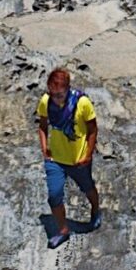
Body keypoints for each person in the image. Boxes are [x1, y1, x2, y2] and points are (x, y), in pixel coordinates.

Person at [36, 68, 101, 249]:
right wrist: (44, 148)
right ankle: (63, 230)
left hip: (78, 160)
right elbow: (42, 126)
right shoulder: (46, 101)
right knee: (54, 196)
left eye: (60, 94)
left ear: (68, 89)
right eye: (53, 94)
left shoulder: (83, 103)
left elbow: (93, 129)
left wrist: (88, 155)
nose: (56, 98)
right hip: (56, 159)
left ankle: (95, 210)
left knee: (87, 188)